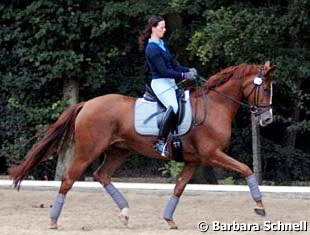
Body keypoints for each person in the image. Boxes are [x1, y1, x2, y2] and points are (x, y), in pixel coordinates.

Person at [138, 15, 197, 157]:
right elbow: (163, 71)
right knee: (174, 106)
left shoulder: (162, 44)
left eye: (165, 27)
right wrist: (184, 76)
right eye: (161, 27)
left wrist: (188, 70)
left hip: (169, 82)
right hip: (160, 83)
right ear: (153, 28)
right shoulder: (151, 48)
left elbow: (174, 65)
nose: (164, 30)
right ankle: (161, 141)